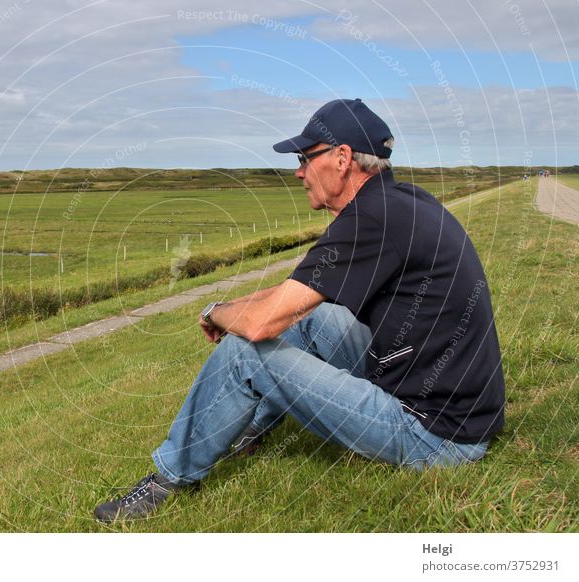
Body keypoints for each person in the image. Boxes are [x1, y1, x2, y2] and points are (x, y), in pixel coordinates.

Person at [94, 98, 505, 523]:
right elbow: (295, 296)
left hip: (437, 435)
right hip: (453, 406)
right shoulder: (400, 202)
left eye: (306, 158)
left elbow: (258, 326)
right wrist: (227, 307)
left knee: (244, 353)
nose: (299, 172)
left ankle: (167, 479)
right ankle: (252, 428)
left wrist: (217, 313)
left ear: (342, 158)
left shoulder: (371, 219)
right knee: (312, 319)